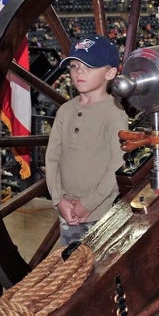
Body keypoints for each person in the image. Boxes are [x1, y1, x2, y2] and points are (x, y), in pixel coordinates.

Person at [44, 34, 127, 246]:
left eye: (89, 66)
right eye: (73, 65)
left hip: (100, 213)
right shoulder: (65, 111)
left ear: (110, 72)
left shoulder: (114, 114)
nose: (79, 71)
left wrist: (87, 204)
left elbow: (117, 165)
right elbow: (52, 158)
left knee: (97, 271)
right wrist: (59, 200)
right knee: (71, 268)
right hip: (67, 210)